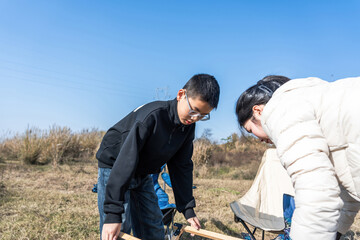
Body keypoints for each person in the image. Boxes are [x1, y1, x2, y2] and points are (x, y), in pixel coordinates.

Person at [96, 73, 220, 240]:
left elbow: (181, 166)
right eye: (194, 110)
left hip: (143, 172)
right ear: (181, 95)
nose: (195, 118)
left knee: (153, 226)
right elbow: (126, 161)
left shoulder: (187, 127)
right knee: (118, 228)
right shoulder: (152, 116)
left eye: (202, 116)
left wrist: (187, 208)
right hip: (115, 165)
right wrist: (112, 214)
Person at [235, 75, 360, 240]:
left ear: (258, 111)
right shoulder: (322, 102)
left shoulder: (280, 109)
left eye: (250, 130)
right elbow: (347, 193)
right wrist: (336, 232)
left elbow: (317, 194)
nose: (259, 139)